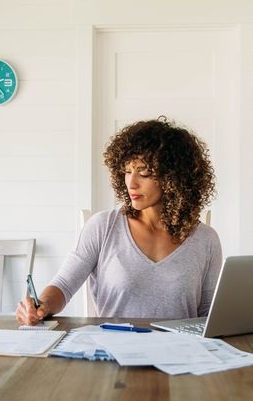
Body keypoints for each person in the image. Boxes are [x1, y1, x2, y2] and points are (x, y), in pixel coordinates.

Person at [16, 117, 222, 326]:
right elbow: (63, 285)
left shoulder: (206, 239)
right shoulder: (103, 226)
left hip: (181, 353)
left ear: (174, 178)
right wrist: (41, 305)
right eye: (127, 171)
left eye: (144, 173)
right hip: (113, 351)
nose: (131, 183)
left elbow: (208, 315)